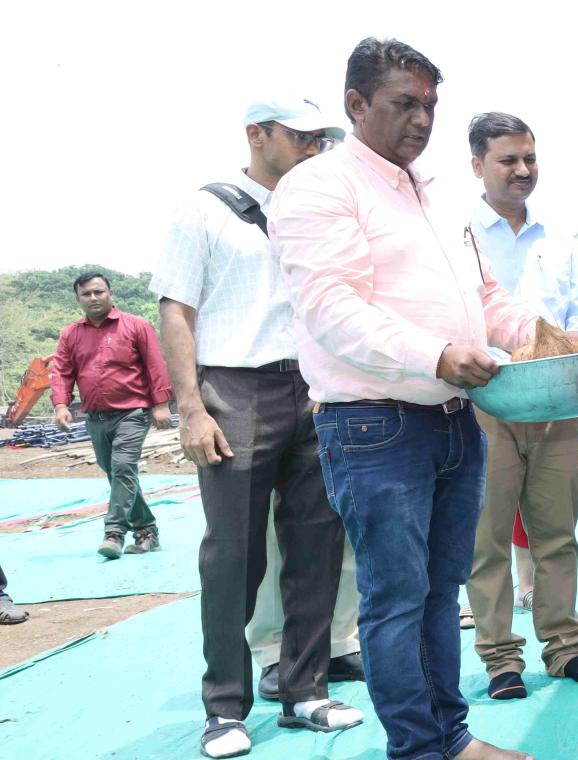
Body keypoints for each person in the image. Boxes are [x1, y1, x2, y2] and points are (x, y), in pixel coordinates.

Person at [271, 38, 556, 760]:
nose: (422, 119)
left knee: (439, 593)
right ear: (356, 104)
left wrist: (541, 334)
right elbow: (330, 306)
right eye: (404, 103)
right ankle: (419, 748)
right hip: (374, 427)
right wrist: (434, 354)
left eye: (430, 104)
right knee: (396, 598)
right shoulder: (321, 187)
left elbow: (483, 296)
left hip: (454, 419)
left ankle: (449, 738)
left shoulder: (433, 192)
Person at [149, 96, 364, 757]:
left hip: (315, 389)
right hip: (234, 390)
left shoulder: (319, 212)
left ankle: (304, 691)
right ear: (257, 134)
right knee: (233, 556)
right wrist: (191, 409)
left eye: (321, 138)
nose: (313, 148)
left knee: (317, 546)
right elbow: (176, 312)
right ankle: (223, 709)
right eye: (300, 136)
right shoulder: (204, 210)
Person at [462, 111, 578, 701]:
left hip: (555, 407)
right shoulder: (457, 240)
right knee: (487, 541)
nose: (523, 170)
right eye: (508, 160)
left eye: (529, 158)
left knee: (557, 534)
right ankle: (501, 660)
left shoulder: (559, 242)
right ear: (477, 165)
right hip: (486, 406)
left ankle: (564, 648)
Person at [50, 273, 175, 560]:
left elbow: (155, 366)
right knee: (117, 474)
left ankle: (114, 532)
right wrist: (61, 405)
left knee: (122, 467)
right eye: (86, 294)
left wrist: (161, 404)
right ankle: (147, 531)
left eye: (99, 292)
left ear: (110, 293)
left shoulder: (136, 326)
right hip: (95, 417)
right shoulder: (71, 334)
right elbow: (62, 372)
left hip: (132, 412)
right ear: (77, 299)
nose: (93, 298)